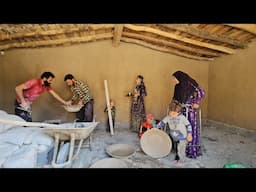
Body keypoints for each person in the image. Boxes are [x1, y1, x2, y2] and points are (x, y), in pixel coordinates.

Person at [171, 70, 205, 159]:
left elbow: (201, 92)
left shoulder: (190, 83)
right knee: (181, 129)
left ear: (179, 77)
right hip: (181, 111)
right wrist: (173, 109)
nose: (173, 80)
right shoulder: (177, 87)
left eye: (174, 78)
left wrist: (196, 102)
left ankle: (191, 150)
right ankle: (182, 149)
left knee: (190, 129)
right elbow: (175, 99)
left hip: (190, 111)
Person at [157, 101, 192, 165]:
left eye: (174, 113)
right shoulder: (168, 117)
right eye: (170, 112)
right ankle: (177, 159)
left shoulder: (182, 118)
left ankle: (182, 161)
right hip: (175, 136)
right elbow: (162, 122)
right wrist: (156, 127)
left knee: (181, 149)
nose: (172, 115)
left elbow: (188, 125)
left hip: (183, 136)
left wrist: (189, 134)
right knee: (177, 148)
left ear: (178, 112)